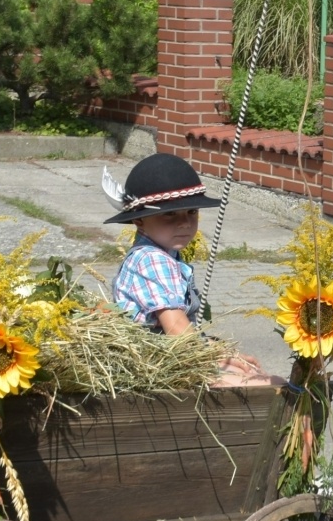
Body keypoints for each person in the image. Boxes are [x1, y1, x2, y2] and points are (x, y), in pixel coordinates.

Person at [105, 153, 275, 387]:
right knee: (270, 384)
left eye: (192, 212)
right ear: (139, 220)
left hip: (167, 358)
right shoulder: (153, 261)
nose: (185, 223)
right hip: (159, 368)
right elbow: (178, 331)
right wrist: (219, 360)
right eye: (169, 214)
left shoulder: (161, 254)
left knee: (249, 370)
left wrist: (225, 352)